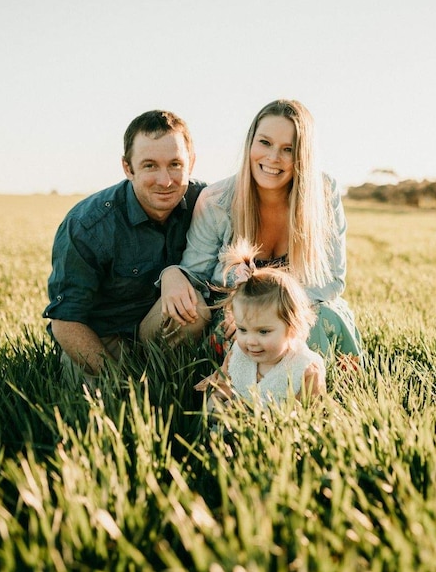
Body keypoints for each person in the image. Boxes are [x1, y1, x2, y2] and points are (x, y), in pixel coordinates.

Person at [147, 99, 363, 366]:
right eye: (265, 143)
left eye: (288, 148)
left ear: (302, 155)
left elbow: (332, 279)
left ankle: (313, 396)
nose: (273, 157)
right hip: (236, 314)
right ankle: (239, 394)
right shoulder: (216, 200)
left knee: (325, 319)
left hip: (304, 307)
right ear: (251, 142)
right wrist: (244, 310)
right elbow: (197, 274)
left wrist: (277, 313)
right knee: (243, 335)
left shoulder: (324, 192)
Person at [43, 109, 207, 378]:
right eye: (150, 165)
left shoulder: (207, 203)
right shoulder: (88, 225)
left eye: (175, 164)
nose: (165, 181)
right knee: (101, 406)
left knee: (195, 308)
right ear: (128, 168)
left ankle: (173, 379)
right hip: (102, 338)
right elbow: (65, 321)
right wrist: (117, 382)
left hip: (158, 329)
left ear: (191, 163)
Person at [193, 238, 325, 408]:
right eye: (242, 329)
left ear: (292, 329)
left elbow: (308, 413)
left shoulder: (304, 368)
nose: (251, 341)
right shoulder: (237, 357)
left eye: (263, 332)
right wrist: (218, 408)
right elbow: (219, 393)